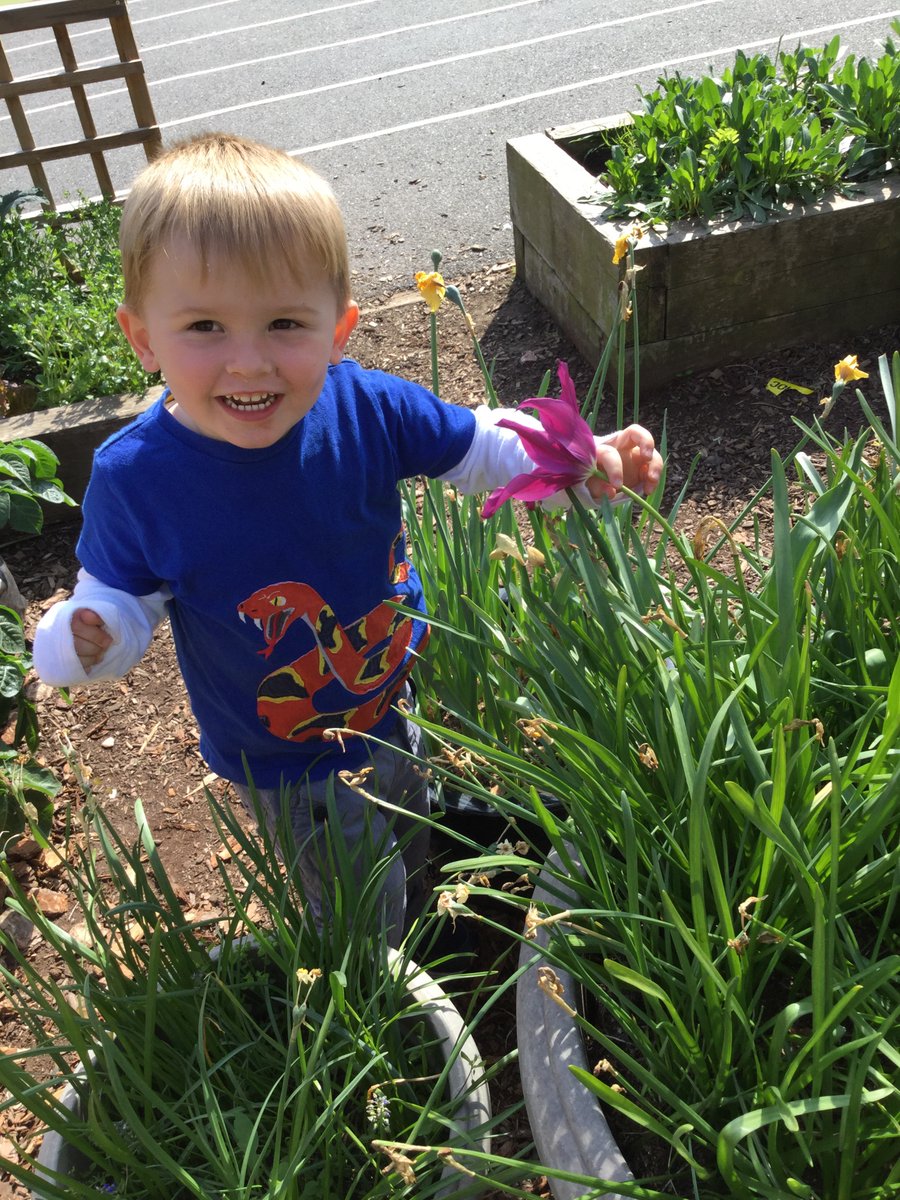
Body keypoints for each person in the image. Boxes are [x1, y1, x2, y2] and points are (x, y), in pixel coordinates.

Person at [33, 132, 662, 944]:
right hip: (285, 752)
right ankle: (376, 988)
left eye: (285, 322)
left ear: (339, 329)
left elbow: (477, 444)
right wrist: (88, 637)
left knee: (409, 815)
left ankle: (431, 912)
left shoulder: (365, 408)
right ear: (143, 337)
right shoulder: (140, 477)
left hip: (385, 687)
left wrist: (580, 460)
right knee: (356, 896)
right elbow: (120, 595)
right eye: (206, 327)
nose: (249, 362)